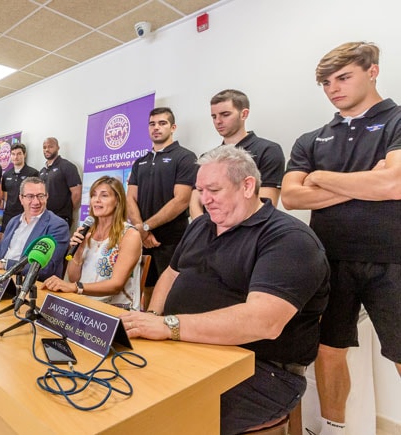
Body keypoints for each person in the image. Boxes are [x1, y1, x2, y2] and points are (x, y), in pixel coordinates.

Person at [121, 146, 329, 434]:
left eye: (214, 190)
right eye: (200, 190)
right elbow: (170, 275)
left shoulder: (289, 239)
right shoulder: (200, 226)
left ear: (247, 186)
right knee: (116, 383)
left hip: (262, 370)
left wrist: (167, 326)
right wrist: (152, 319)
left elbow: (263, 321)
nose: (205, 200)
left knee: (153, 413)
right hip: (187, 349)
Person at [281, 41, 401, 434]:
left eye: (343, 77)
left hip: (392, 257)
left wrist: (321, 178)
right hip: (328, 260)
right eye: (327, 82)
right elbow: (291, 195)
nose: (334, 88)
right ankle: (333, 429)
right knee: (328, 351)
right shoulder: (312, 138)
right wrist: (371, 180)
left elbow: (396, 182)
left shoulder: (397, 120)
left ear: (373, 71)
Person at [126, 107, 197, 305]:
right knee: (146, 289)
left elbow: (181, 199)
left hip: (172, 240)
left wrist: (145, 227)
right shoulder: (140, 162)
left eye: (162, 123)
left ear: (173, 127)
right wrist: (142, 230)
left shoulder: (185, 157)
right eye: (152, 124)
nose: (156, 128)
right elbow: (130, 198)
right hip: (143, 239)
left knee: (171, 294)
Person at [43, 176, 142, 311]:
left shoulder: (130, 235)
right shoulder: (87, 231)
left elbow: (115, 285)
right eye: (93, 195)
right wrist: (78, 252)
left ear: (117, 201)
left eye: (104, 195)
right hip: (84, 304)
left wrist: (75, 287)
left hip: (115, 311)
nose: (97, 200)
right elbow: (73, 278)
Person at [190, 89, 285, 218]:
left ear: (244, 114)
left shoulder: (267, 150)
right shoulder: (208, 158)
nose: (218, 121)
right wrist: (202, 229)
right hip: (211, 230)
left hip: (247, 231)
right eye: (214, 116)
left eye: (225, 114)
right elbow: (196, 200)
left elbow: (266, 204)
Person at [0, 177, 70, 280]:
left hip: (30, 284)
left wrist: (4, 264)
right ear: (21, 198)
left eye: (40, 196)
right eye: (30, 196)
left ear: (47, 197)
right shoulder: (13, 222)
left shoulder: (58, 226)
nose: (36, 202)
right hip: (1, 278)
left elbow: (46, 269)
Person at [39, 137, 82, 227]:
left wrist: (67, 212)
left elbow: (77, 193)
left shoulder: (67, 166)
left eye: (50, 146)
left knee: (56, 241)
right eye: (44, 147)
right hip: (43, 217)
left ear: (58, 148)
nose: (47, 149)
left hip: (60, 218)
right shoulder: (42, 171)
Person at [0, 143, 39, 230]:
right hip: (8, 215)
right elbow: (6, 195)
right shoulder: (6, 174)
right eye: (13, 154)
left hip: (25, 214)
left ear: (24, 154)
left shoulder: (33, 173)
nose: (16, 157)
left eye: (19, 154)